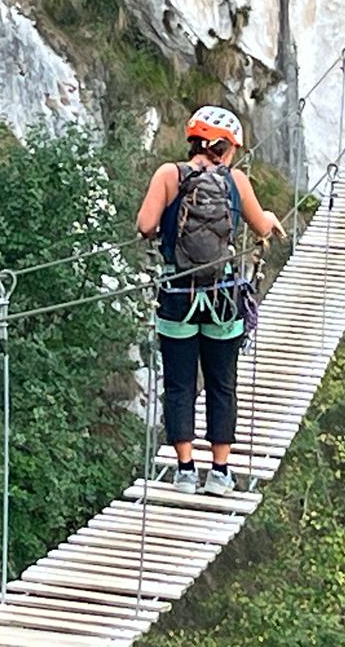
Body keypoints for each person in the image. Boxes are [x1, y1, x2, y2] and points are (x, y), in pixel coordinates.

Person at [136, 106, 286, 495]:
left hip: (176, 297)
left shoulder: (169, 175)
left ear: (194, 142)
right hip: (222, 299)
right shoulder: (236, 181)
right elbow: (260, 225)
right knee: (222, 384)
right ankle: (220, 472)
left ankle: (185, 470)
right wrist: (267, 216)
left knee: (180, 384)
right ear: (228, 148)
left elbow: (145, 226)